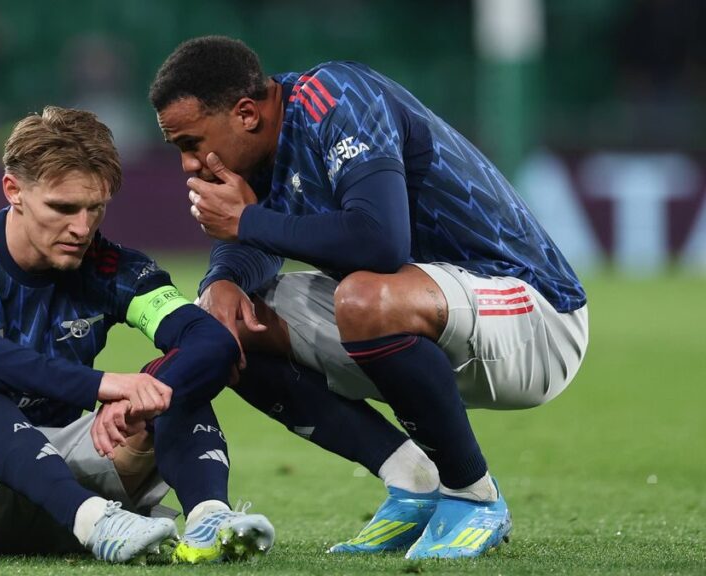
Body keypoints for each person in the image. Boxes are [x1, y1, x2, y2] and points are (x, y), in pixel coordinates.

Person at [149, 36, 589, 559]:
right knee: (227, 324)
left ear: (246, 114)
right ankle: (413, 481)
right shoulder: (259, 150)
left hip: (533, 316)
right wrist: (220, 281)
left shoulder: (337, 99)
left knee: (363, 298)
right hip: (426, 314)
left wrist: (245, 220)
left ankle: (472, 494)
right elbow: (268, 242)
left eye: (191, 143)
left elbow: (379, 241)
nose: (188, 165)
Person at [0, 106, 275, 564]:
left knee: (170, 383)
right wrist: (99, 385)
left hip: (53, 483)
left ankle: (208, 518)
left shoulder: (111, 267)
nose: (82, 229)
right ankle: (95, 522)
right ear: (13, 190)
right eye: (63, 208)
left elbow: (211, 342)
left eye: (95, 208)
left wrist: (142, 394)